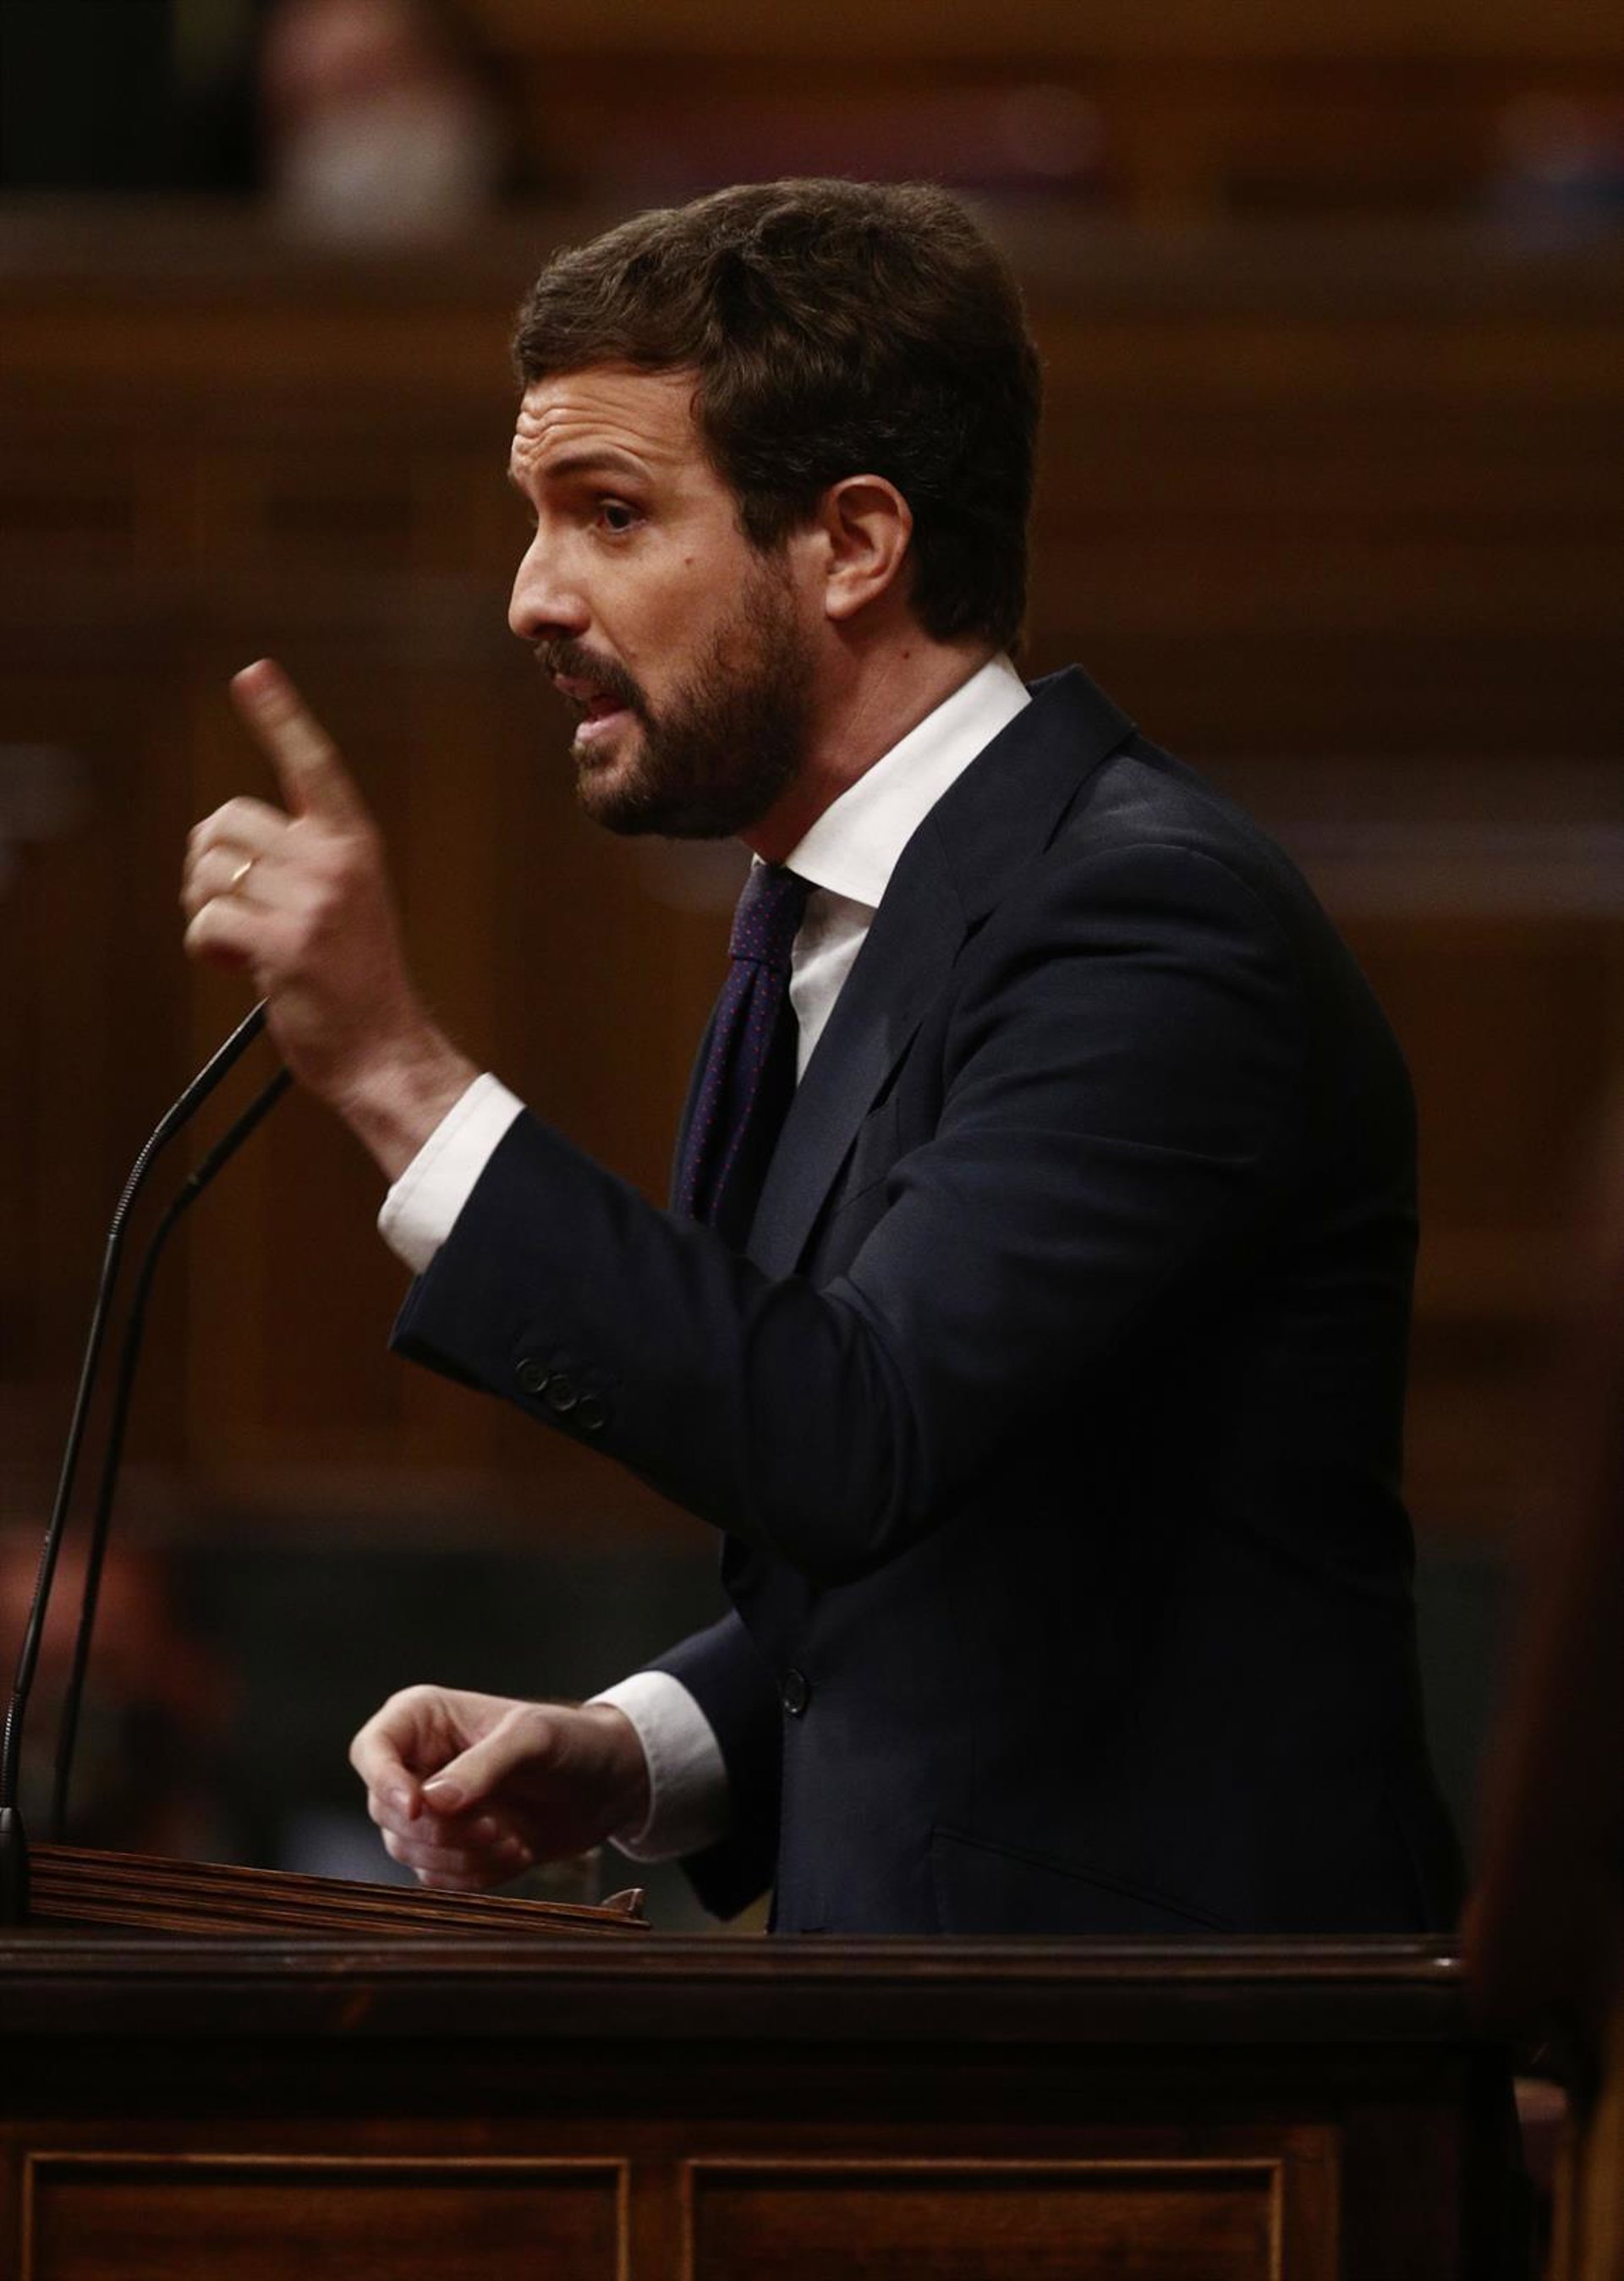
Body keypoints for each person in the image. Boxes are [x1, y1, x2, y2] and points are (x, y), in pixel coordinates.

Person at [182, 178, 1462, 1935]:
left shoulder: (1148, 925)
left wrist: (397, 1071)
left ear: (855, 543)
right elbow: (988, 1539)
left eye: (610, 514)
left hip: (1178, 2057)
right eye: (535, 523)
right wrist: (642, 1746)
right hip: (962, 2034)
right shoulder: (836, 912)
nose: (532, 596)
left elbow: (856, 1430)